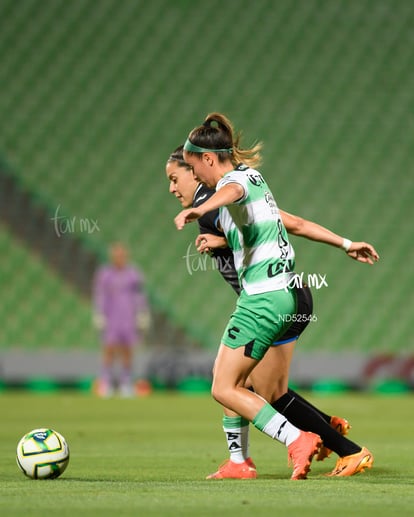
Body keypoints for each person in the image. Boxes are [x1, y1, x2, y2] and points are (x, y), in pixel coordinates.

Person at [173, 113, 376, 479]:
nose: (177, 186)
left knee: (234, 386)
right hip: (288, 292)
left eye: (181, 174)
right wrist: (346, 243)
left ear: (205, 160)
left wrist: (200, 209)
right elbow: (290, 224)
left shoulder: (227, 188)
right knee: (255, 386)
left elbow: (229, 192)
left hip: (265, 299)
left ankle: (310, 439)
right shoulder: (253, 180)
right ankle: (258, 455)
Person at [93, 243, 150, 397]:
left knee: (127, 350)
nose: (119, 258)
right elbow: (101, 295)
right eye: (116, 256)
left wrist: (142, 312)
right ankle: (107, 382)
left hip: (128, 317)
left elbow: (139, 294)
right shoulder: (105, 274)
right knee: (109, 349)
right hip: (112, 317)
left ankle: (126, 382)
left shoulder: (133, 273)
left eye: (121, 255)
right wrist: (99, 313)